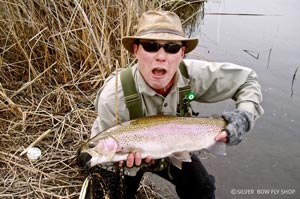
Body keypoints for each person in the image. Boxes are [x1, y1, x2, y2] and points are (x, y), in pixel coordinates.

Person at [91, 10, 264, 199]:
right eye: (151, 46)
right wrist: (123, 162)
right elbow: (104, 152)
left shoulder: (193, 75)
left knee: (203, 189)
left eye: (171, 48)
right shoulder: (112, 97)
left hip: (175, 147)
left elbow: (247, 80)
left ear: (182, 53)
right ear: (136, 50)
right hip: (124, 157)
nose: (161, 56)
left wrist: (244, 117)